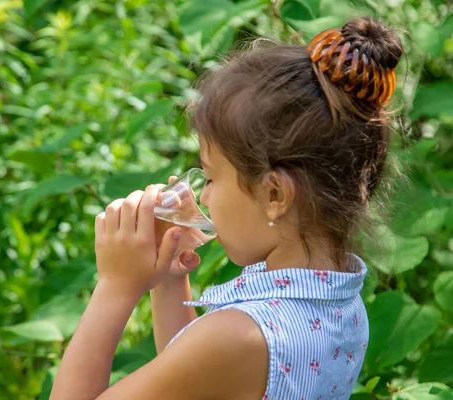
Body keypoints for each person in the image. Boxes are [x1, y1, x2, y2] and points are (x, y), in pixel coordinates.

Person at [49, 16, 402, 400]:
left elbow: (208, 359)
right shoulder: (340, 303)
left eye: (212, 178)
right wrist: (170, 278)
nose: (203, 196)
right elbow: (196, 381)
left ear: (274, 196)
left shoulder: (240, 337)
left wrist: (116, 287)